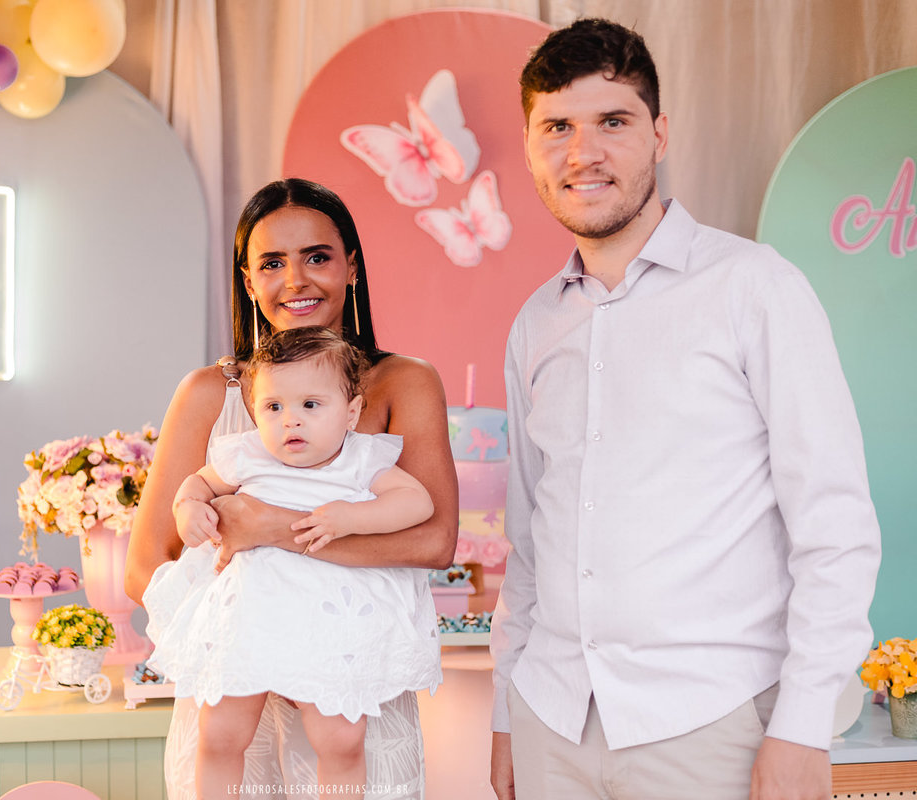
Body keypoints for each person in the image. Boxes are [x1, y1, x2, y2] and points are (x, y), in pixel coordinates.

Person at [490, 17, 881, 800]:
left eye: (612, 122)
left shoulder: (755, 288)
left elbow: (834, 527)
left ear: (659, 133)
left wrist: (802, 726)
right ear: (530, 145)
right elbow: (530, 543)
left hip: (712, 727)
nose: (582, 152)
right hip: (551, 722)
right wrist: (507, 716)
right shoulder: (536, 322)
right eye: (556, 127)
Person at [125, 178, 458, 800]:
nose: (296, 280)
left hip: (351, 685)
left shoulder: (404, 384)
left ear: (351, 267)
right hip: (232, 695)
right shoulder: (208, 394)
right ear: (249, 282)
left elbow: (434, 540)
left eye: (317, 257)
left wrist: (267, 529)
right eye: (272, 263)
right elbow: (145, 565)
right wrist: (254, 639)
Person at [144, 326, 442, 800]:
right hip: (250, 616)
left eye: (310, 405)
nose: (291, 422)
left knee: (341, 741)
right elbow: (196, 483)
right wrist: (188, 509)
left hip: (330, 621)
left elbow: (417, 504)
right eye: (274, 407)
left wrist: (353, 517)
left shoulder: (361, 460)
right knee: (220, 733)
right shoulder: (248, 454)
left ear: (351, 412)